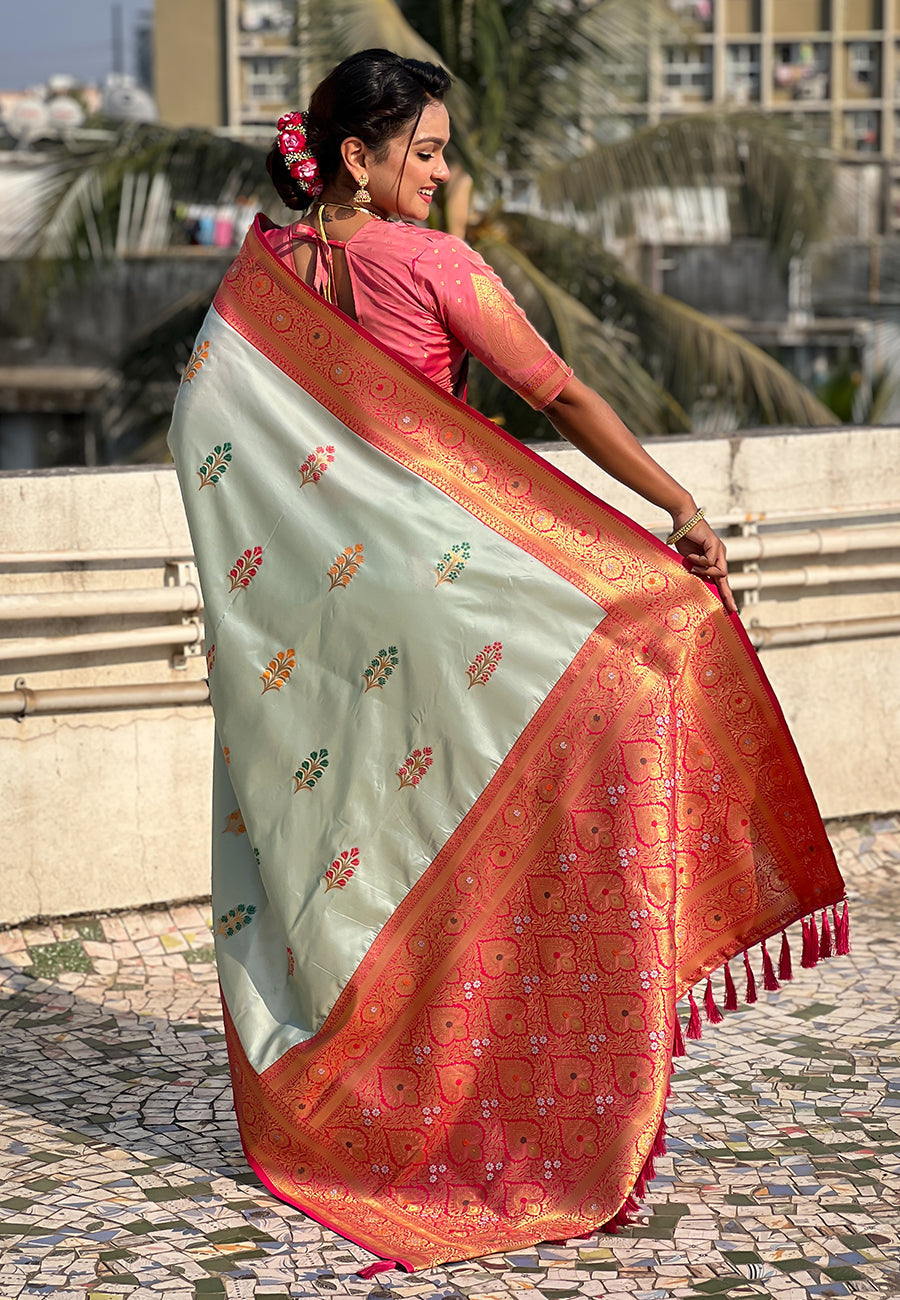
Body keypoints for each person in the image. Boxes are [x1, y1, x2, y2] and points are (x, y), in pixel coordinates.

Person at [167, 48, 847, 1275]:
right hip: (459, 593)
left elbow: (204, 423)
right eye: (421, 152)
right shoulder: (430, 262)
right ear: (359, 159)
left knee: (395, 851)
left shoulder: (265, 278)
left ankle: (404, 1091)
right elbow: (565, 395)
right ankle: (537, 1080)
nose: (442, 172)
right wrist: (679, 503)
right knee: (656, 643)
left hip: (353, 623)